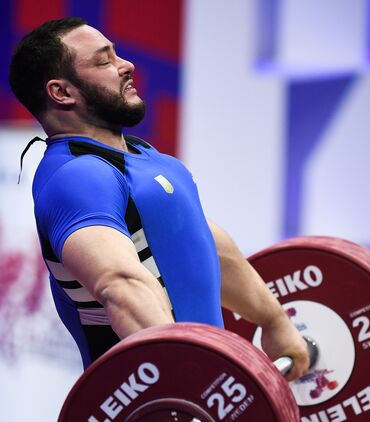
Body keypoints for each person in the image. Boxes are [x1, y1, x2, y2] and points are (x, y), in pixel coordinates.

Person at [9, 17, 308, 379]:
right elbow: (120, 284)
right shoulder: (76, 177)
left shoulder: (142, 157)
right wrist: (185, 379)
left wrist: (274, 320)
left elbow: (200, 240)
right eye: (104, 61)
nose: (126, 65)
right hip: (154, 410)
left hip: (202, 389)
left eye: (115, 54)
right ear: (62, 93)